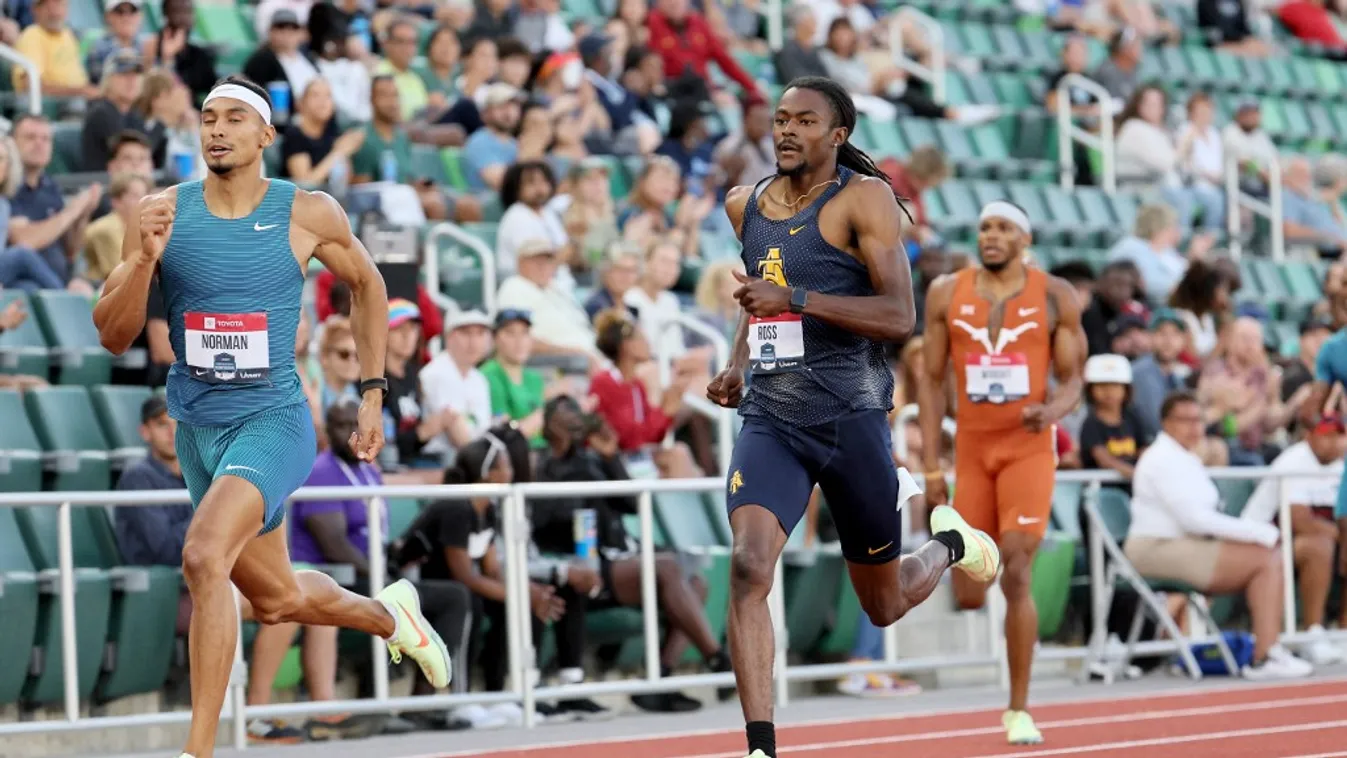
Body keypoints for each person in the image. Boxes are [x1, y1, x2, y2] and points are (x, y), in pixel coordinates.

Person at [91, 75, 451, 758]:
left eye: (233, 118)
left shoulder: (306, 211)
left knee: (202, 558)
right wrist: (143, 260)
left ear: (264, 135)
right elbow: (112, 334)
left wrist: (373, 392)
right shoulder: (163, 211)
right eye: (207, 118)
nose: (217, 130)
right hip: (198, 430)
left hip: (275, 421)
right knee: (279, 599)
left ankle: (200, 750)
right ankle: (390, 615)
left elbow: (368, 285)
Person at [704, 76, 999, 758]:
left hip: (851, 418)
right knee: (749, 567)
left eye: (803, 121)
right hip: (771, 419)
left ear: (837, 135)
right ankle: (759, 747)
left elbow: (897, 316)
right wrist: (738, 363)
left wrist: (797, 296)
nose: (785, 130)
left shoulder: (864, 201)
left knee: (884, 603)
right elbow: (757, 299)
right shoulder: (742, 204)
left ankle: (948, 545)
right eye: (779, 119)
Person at [919, 200, 1086, 745]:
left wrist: (1054, 411)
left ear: (1024, 239)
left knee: (1015, 566)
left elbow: (1073, 377)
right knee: (973, 584)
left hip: (1027, 447)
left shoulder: (1055, 294)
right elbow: (929, 378)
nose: (991, 235)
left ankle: (1018, 707)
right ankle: (981, 595)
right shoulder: (946, 291)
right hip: (970, 447)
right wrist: (930, 465)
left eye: (1003, 228)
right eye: (985, 226)